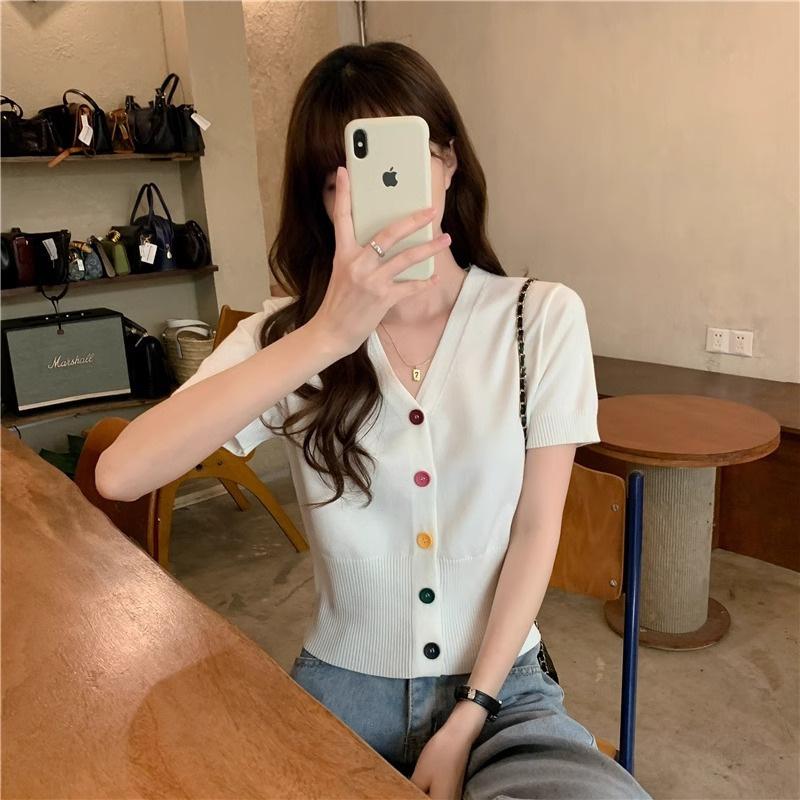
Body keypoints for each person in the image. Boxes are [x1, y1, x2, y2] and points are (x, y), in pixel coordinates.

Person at [96, 41, 652, 800]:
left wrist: (467, 717)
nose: (372, 192)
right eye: (342, 175)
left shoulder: (539, 318)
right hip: (339, 693)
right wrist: (327, 334)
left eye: (399, 159)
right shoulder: (287, 337)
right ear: (322, 199)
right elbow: (121, 473)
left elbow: (535, 531)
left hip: (503, 695)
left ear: (449, 161)